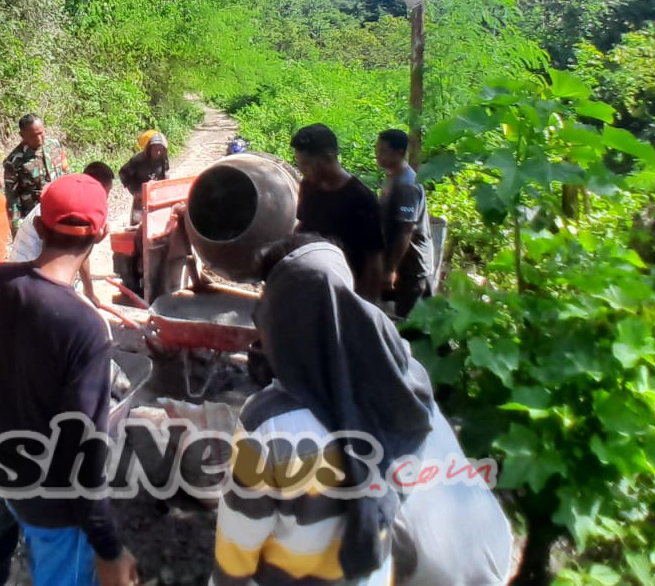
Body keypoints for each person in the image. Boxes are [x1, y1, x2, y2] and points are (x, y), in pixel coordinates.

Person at [213, 235, 512, 586]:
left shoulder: (268, 422)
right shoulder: (405, 376)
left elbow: (236, 552)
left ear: (278, 312)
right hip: (484, 558)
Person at [0, 174, 139, 586]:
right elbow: (86, 449)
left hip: (7, 475)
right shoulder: (85, 327)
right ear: (101, 234)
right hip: (56, 507)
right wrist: (108, 547)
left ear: (39, 227)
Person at [291, 124, 385, 302]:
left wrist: (367, 304)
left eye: (306, 164)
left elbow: (373, 258)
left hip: (346, 288)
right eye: (299, 163)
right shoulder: (309, 186)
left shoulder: (361, 198)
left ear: (328, 158)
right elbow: (303, 225)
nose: (302, 170)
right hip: (313, 283)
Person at [9, 161, 115, 305]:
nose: (106, 199)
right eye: (105, 193)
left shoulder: (70, 203)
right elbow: (74, 255)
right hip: (27, 272)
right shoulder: (67, 212)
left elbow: (76, 253)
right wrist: (87, 293)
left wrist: (88, 291)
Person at [375, 129, 435, 318]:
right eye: (377, 149)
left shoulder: (407, 185)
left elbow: (405, 231)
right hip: (398, 262)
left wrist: (391, 269)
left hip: (412, 267)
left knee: (409, 322)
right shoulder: (392, 177)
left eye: (383, 151)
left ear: (400, 153)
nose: (378, 155)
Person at [3, 113, 71, 234]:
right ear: (22, 135)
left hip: (61, 212)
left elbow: (66, 173)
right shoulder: (14, 162)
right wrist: (16, 227)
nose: (39, 139)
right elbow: (12, 198)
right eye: (33, 136)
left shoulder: (54, 145)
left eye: (41, 133)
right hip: (36, 220)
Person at [119, 131, 170, 226]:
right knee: (136, 222)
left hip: (156, 194)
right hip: (140, 194)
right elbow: (123, 173)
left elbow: (166, 172)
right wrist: (134, 192)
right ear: (149, 149)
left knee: (158, 221)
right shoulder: (138, 160)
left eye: (161, 150)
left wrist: (164, 189)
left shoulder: (163, 159)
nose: (158, 152)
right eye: (155, 149)